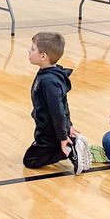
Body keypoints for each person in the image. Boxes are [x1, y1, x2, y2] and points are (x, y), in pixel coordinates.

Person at [23, 31, 90, 175]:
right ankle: (69, 143)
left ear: (43, 56)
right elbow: (64, 102)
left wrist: (62, 136)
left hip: (51, 131)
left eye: (33, 49)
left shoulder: (49, 81)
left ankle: (69, 150)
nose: (29, 51)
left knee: (30, 160)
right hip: (47, 129)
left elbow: (58, 110)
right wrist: (69, 125)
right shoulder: (49, 73)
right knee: (36, 150)